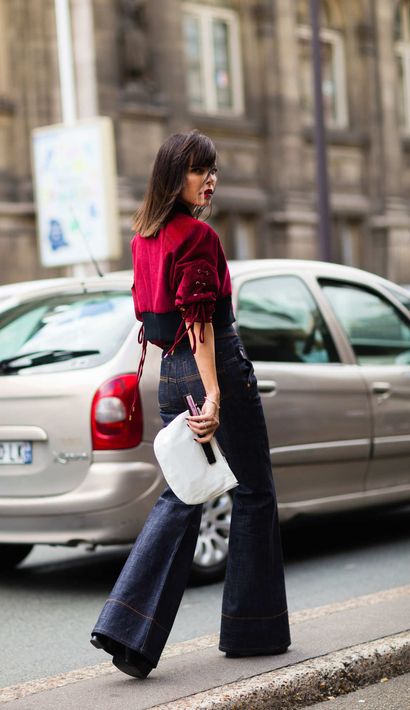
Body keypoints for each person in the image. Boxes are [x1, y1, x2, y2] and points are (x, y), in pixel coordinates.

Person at [90, 130, 291, 678]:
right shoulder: (196, 238)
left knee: (184, 495)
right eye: (199, 170)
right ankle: (255, 630)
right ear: (173, 175)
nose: (210, 180)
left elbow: (157, 322)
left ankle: (126, 627)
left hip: (168, 372)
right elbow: (201, 324)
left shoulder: (144, 237)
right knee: (254, 494)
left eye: (213, 170)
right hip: (211, 365)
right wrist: (217, 393)